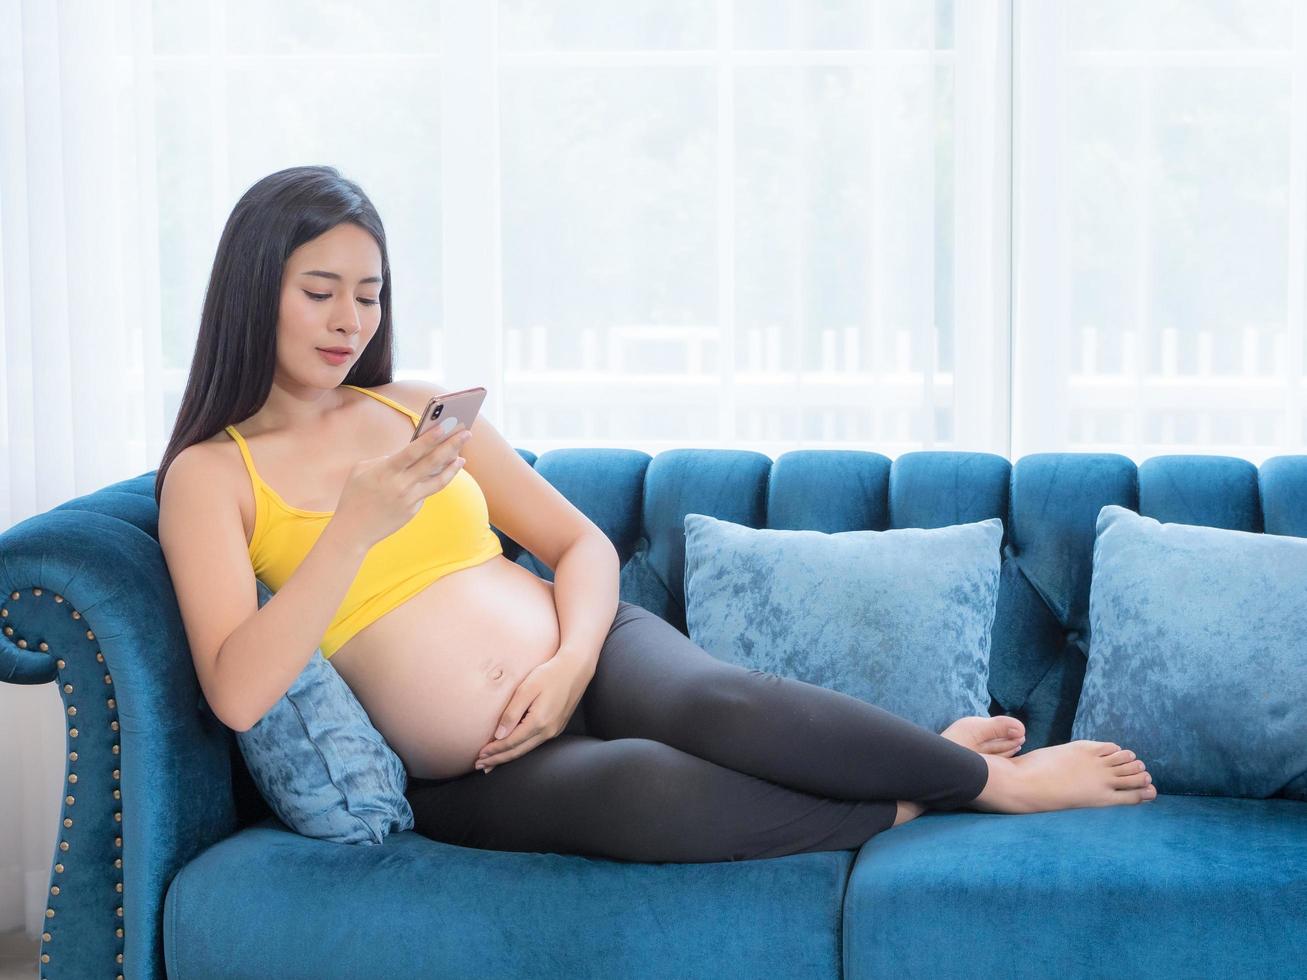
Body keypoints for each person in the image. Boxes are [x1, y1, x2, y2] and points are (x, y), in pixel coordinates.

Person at [157, 165, 1157, 866]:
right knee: (643, 790)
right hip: (474, 766)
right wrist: (355, 526)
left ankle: (991, 783)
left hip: (586, 651)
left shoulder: (408, 406)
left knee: (724, 708)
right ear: (257, 292)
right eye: (319, 291)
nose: (349, 320)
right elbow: (240, 692)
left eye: (368, 294)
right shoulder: (212, 475)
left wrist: (565, 664)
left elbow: (576, 542)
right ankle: (911, 789)